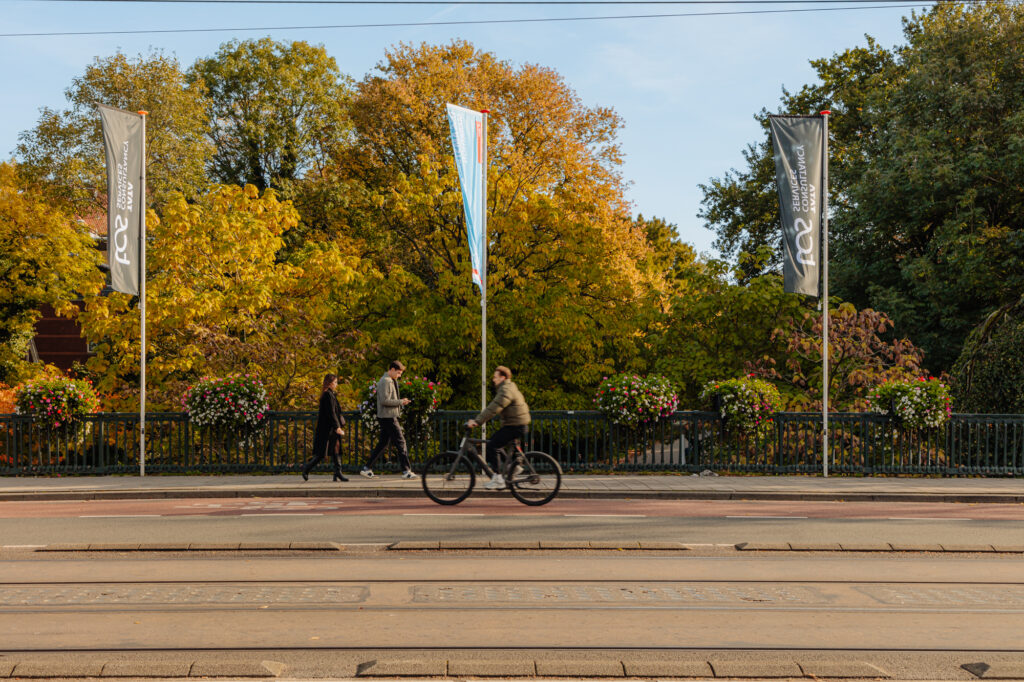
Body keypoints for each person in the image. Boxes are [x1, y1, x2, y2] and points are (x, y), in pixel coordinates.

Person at [467, 365, 531, 489]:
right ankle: (514, 467)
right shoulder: (509, 387)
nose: (493, 379)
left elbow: (494, 408)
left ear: (502, 377)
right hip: (517, 424)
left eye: (495, 377)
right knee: (497, 443)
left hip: (516, 425)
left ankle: (498, 479)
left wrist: (477, 421)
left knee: (492, 445)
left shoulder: (505, 390)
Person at [360, 360, 418, 479]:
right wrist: (401, 402)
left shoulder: (390, 380)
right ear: (391, 369)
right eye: (398, 373)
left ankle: (367, 468)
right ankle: (406, 471)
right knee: (401, 442)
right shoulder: (385, 381)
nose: (399, 375)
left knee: (383, 444)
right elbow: (384, 401)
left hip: (388, 416)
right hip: (388, 416)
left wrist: (400, 401)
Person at [302, 373, 348, 482]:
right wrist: (337, 427)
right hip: (327, 429)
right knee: (322, 453)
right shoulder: (328, 395)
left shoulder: (329, 394)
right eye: (335, 382)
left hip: (330, 428)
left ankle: (338, 473)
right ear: (330, 383)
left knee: (336, 450)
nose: (336, 384)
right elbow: (331, 413)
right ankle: (306, 469)